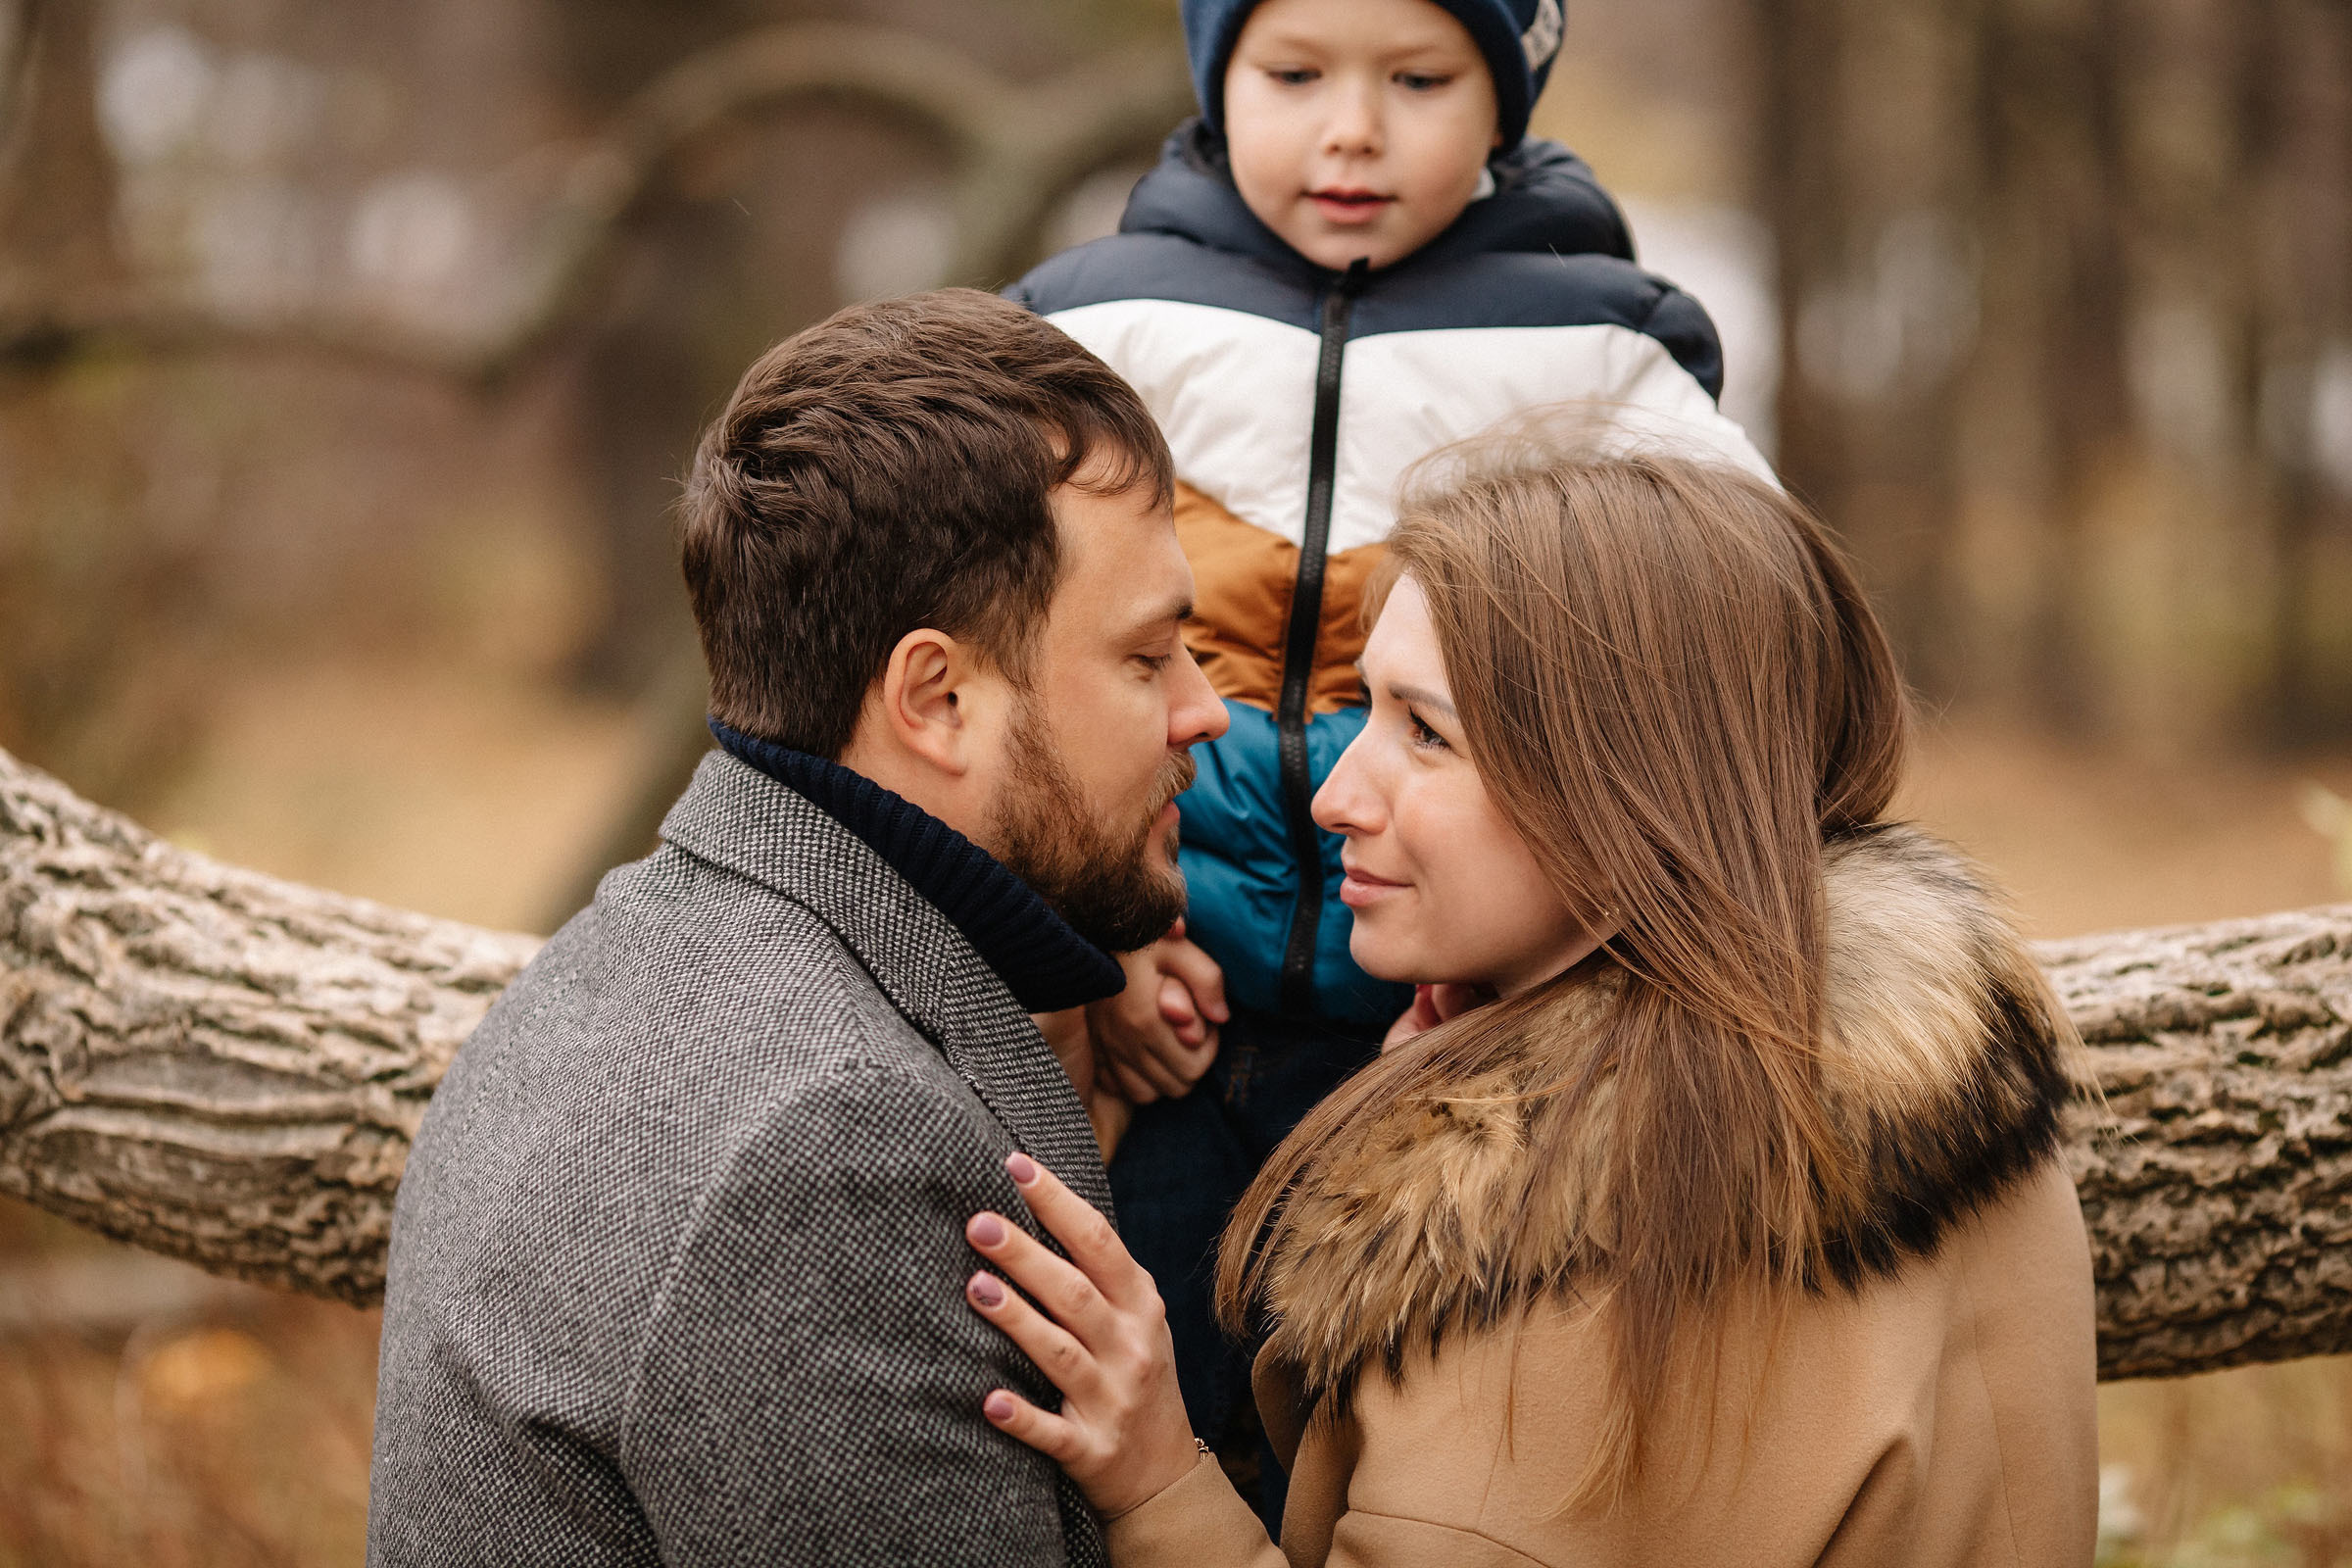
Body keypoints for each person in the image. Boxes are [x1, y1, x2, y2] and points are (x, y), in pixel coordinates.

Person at [953, 440, 2100, 1566]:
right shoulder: (1936, 1080)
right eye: (1366, 712)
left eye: (1426, 733)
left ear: (1626, 787)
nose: (1342, 794)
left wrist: (1157, 1483)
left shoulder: (1564, 1277)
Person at [1005, 0, 1774, 1503]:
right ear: (1217, 77)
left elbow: (1730, 660)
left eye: (1419, 79)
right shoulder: (1098, 325)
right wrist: (1110, 938)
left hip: (1462, 1041)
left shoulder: (1603, 346)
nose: (1352, 128)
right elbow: (1015, 666)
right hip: (1175, 1018)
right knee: (1151, 1378)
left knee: (1410, 1411)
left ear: (1510, 91)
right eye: (1293, 76)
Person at [367, 288, 1228, 1567]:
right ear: (936, 698)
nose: (1206, 712)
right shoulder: (830, 1143)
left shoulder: (631, 957)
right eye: (1149, 659)